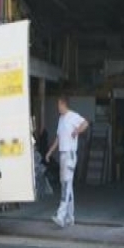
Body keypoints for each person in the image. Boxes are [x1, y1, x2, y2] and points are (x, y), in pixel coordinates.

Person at [45, 96, 88, 228]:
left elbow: (85, 123)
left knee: (66, 185)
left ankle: (61, 215)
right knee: (67, 185)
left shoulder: (72, 116)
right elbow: (58, 138)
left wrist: (77, 131)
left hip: (69, 154)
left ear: (64, 104)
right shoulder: (61, 119)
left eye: (59, 105)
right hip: (63, 154)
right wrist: (50, 152)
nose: (57, 108)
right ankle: (70, 217)